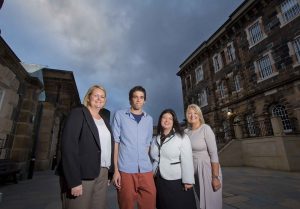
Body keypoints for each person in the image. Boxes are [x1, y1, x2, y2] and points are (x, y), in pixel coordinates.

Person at [60, 85, 113, 209]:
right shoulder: (78, 114)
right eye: (96, 95)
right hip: (82, 174)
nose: (99, 99)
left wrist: (109, 173)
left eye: (102, 97)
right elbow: (69, 147)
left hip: (102, 173)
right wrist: (74, 181)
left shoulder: (105, 121)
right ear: (88, 98)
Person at [112, 86, 156, 209]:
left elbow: (147, 145)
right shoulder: (120, 115)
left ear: (144, 100)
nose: (138, 100)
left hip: (146, 170)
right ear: (130, 99)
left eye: (141, 97)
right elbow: (116, 143)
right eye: (135, 97)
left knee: (150, 202)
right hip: (126, 170)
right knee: (126, 205)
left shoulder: (149, 119)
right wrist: (116, 171)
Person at [150, 109, 197, 209]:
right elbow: (153, 158)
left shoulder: (182, 137)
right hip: (158, 179)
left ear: (173, 121)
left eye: (170, 118)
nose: (166, 120)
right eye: (164, 118)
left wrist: (188, 180)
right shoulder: (155, 139)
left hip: (176, 180)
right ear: (160, 120)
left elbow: (187, 159)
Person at [185, 104, 222, 209]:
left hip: (207, 170)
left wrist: (215, 177)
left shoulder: (205, 129)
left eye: (195, 113)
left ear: (199, 115)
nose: (192, 115)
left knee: (211, 204)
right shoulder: (186, 132)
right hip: (194, 171)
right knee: (202, 201)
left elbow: (214, 154)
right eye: (189, 113)